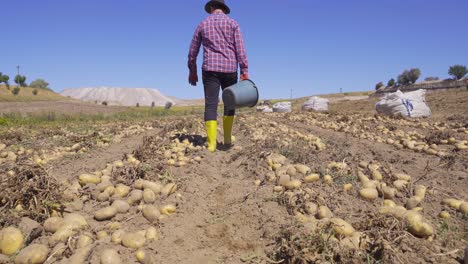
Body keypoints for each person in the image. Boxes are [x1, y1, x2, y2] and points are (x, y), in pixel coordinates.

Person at [188, 0, 249, 152]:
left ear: (212, 8)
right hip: (229, 70)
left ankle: (211, 145)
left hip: (210, 69)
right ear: (223, 9)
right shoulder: (233, 24)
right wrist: (244, 71)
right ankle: (227, 139)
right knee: (230, 103)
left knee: (211, 104)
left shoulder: (202, 24)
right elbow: (240, 49)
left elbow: (192, 51)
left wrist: (192, 71)